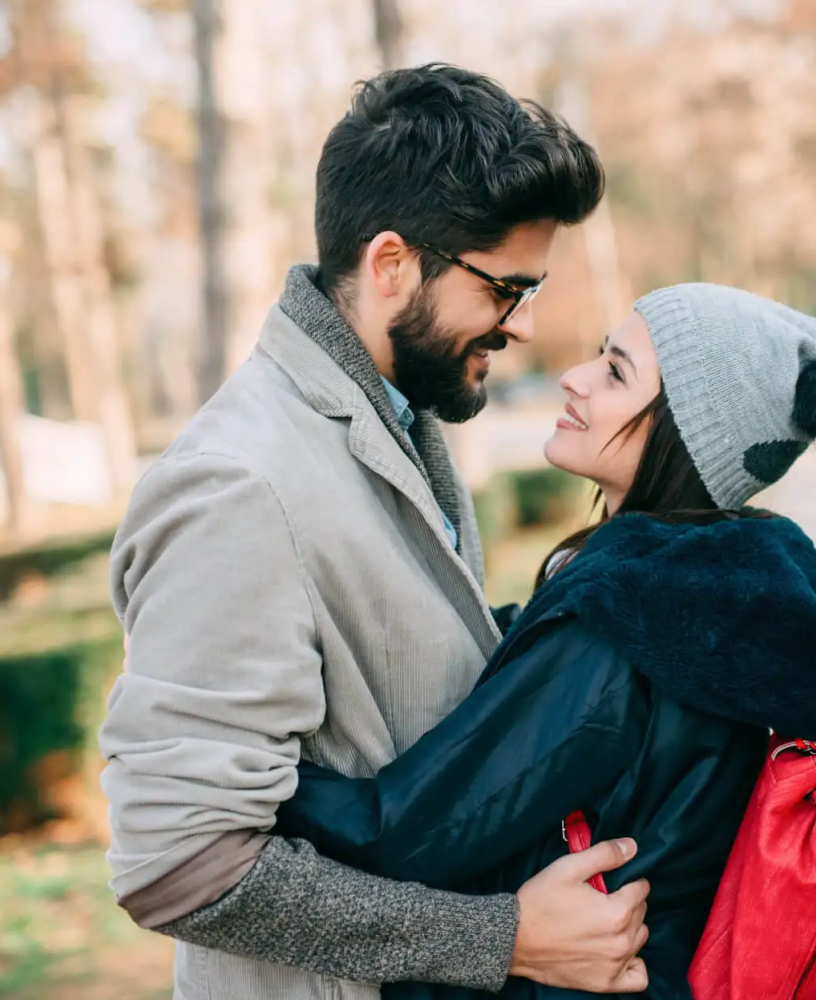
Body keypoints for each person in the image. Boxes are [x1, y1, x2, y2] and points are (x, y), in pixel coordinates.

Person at [99, 65, 652, 1000]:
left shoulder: (400, 418)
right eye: (505, 289)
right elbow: (177, 861)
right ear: (391, 265)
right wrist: (501, 939)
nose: (521, 327)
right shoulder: (238, 485)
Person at [273, 284, 816, 1000]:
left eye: (616, 373)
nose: (575, 378)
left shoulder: (628, 622)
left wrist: (245, 775)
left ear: (682, 435)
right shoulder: (718, 595)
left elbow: (400, 833)